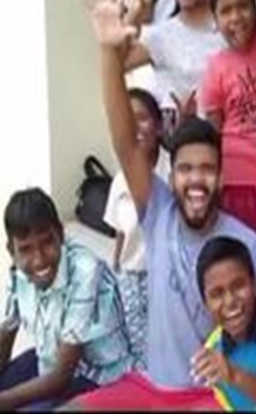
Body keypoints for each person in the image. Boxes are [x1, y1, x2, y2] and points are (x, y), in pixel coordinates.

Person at [74, 0, 256, 409]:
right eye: (185, 169)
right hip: (153, 386)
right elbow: (125, 141)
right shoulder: (159, 212)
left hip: (213, 397)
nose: (196, 180)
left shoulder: (245, 243)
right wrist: (109, 53)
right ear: (172, 175)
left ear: (222, 176)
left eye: (207, 169)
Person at [0, 188, 131, 411]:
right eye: (25, 249)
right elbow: (1, 348)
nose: (39, 260)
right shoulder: (18, 273)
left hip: (98, 377)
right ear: (11, 251)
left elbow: (61, 376)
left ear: (60, 234)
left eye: (47, 242)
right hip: (51, 361)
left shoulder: (85, 271)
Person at [123, 0, 227, 145]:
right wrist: (136, 12)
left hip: (231, 145)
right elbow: (117, 62)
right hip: (183, 150)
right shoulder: (161, 36)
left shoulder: (227, 25)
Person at [200, 0, 256, 237]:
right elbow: (213, 132)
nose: (236, 17)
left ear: (255, 8)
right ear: (215, 19)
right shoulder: (216, 67)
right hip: (237, 180)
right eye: (225, 11)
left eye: (243, 7)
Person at [192, 236, 256, 410]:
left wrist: (233, 374)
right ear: (206, 304)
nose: (230, 301)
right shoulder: (213, 347)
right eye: (217, 294)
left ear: (255, 285)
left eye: (238, 286)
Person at [104, 87, 163, 371]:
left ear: (158, 125)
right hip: (130, 275)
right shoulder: (119, 180)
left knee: (161, 338)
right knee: (137, 343)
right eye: (127, 119)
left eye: (142, 118)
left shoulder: (173, 171)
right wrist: (116, 265)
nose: (134, 126)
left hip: (162, 273)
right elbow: (120, 230)